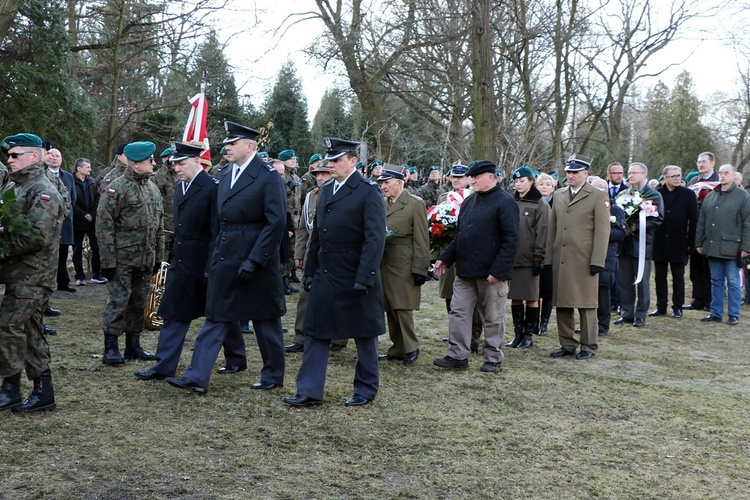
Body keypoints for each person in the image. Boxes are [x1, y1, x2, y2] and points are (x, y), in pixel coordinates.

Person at [167, 122, 287, 393]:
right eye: (226, 144)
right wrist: (214, 257)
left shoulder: (268, 176)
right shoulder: (226, 173)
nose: (227, 148)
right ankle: (196, 376)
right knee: (217, 315)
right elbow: (218, 222)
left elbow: (275, 222)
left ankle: (273, 374)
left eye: (233, 144)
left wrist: (255, 260)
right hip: (226, 252)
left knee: (266, 319)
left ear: (250, 146)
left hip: (256, 253)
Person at [282, 137, 386, 407]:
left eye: (338, 160)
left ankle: (365, 389)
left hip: (355, 272)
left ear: (353, 161)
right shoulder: (326, 190)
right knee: (316, 331)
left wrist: (365, 277)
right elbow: (318, 234)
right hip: (327, 272)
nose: (332, 164)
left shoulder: (367, 190)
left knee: (364, 334)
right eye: (330, 160)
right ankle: (309, 390)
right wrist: (311, 271)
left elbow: (374, 239)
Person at [134, 142, 220, 381]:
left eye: (181, 163)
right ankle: (163, 366)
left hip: (204, 261)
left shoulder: (212, 188)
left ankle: (236, 359)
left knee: (220, 317)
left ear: (197, 161)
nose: (177, 169)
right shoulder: (180, 186)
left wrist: (212, 264)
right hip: (182, 261)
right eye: (174, 164)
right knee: (173, 313)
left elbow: (217, 230)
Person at [433, 160, 519, 372]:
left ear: (491, 177)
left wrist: (498, 270)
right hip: (465, 271)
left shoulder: (505, 202)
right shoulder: (470, 202)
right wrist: (445, 258)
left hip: (492, 274)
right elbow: (460, 237)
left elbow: (512, 240)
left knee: (493, 317)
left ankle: (492, 358)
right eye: (470, 177)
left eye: (476, 177)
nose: (471, 181)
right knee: (458, 312)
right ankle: (457, 355)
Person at [0, 133, 65, 412]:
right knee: (31, 330)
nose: (9, 160)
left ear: (34, 156)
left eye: (15, 155)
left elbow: (38, 235)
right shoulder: (14, 187)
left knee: (8, 326)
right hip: (16, 273)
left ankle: (10, 388)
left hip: (33, 274)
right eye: (9, 155)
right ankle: (43, 392)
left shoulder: (42, 189)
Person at [96, 142, 164, 365]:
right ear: (135, 164)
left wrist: (158, 258)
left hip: (145, 259)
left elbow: (159, 227)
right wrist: (108, 261)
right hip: (122, 259)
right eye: (150, 160)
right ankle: (111, 347)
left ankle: (133, 346)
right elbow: (104, 226)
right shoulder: (117, 188)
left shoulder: (152, 188)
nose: (154, 163)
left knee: (139, 302)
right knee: (118, 302)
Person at [546, 154, 610, 360]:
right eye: (568, 172)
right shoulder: (559, 195)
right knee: (563, 302)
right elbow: (552, 229)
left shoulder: (597, 195)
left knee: (587, 304)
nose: (571, 176)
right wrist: (549, 258)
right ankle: (567, 343)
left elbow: (602, 231)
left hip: (584, 259)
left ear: (586, 173)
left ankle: (588, 346)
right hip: (562, 257)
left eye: (575, 172)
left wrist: (598, 261)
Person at [285, 161, 348, 353]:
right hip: (313, 253)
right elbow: (304, 227)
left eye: (325, 174)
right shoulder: (311, 196)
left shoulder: (342, 195)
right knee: (306, 295)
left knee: (336, 296)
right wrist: (299, 253)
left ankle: (338, 338)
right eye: (317, 174)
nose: (320, 178)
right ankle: (301, 337)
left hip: (335, 253)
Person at [377, 164, 429, 365]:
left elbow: (422, 239)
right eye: (382, 183)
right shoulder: (382, 203)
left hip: (404, 263)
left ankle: (411, 347)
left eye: (387, 182)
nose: (383, 186)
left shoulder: (415, 203)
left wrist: (420, 268)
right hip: (385, 262)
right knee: (390, 306)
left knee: (402, 307)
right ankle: (397, 348)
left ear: (399, 183)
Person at [435, 164, 484, 351]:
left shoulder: (475, 198)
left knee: (473, 300)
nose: (456, 180)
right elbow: (435, 224)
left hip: (470, 252)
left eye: (460, 177)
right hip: (449, 251)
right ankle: (455, 333)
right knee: (450, 295)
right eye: (453, 176)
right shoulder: (443, 198)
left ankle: (474, 336)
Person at [695, 164, 750, 325]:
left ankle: (733, 314)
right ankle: (716, 313)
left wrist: (746, 246)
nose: (722, 176)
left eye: (726, 173)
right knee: (716, 281)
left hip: (733, 248)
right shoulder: (711, 196)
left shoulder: (743, 196)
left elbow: (748, 223)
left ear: (734, 176)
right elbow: (702, 221)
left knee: (733, 282)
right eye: (721, 173)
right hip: (712, 246)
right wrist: (699, 242)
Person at [614, 162, 663, 328]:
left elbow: (658, 218)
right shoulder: (623, 194)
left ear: (644, 174)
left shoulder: (654, 195)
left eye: (634, 172)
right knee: (624, 280)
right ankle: (627, 313)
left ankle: (641, 314)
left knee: (641, 281)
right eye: (629, 172)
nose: (631, 175)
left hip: (642, 244)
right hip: (625, 244)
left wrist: (638, 226)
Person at [505, 167, 549, 349]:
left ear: (531, 181)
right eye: (516, 181)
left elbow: (543, 232)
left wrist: (539, 257)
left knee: (531, 296)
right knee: (515, 296)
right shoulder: (510, 200)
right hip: (512, 257)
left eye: (522, 181)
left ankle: (528, 335)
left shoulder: (540, 204)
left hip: (530, 258)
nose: (518, 184)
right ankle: (517, 333)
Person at [650, 166, 698, 319]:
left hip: (679, 241)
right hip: (659, 241)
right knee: (660, 276)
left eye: (679, 175)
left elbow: (694, 220)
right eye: (673, 176)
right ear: (665, 178)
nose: (677, 178)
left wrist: (691, 243)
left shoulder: (688, 194)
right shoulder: (657, 193)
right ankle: (661, 306)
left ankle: (678, 307)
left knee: (678, 276)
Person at [590, 178, 626, 336]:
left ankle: (603, 325)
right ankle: (590, 324)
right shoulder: (587, 206)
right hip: (587, 254)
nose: (599, 190)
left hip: (607, 255)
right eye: (595, 187)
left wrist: (601, 233)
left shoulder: (615, 209)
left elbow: (621, 232)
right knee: (588, 292)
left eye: (602, 187)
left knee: (603, 290)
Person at [686, 151, 718, 311]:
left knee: (709, 268)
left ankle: (709, 300)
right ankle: (697, 299)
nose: (700, 164)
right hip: (695, 227)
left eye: (704, 162)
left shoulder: (718, 181)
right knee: (695, 267)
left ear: (712, 163)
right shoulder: (693, 180)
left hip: (712, 229)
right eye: (699, 162)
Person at [46, 148, 77, 293]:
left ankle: (63, 282)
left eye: (57, 156)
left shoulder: (69, 177)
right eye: (51, 155)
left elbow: (73, 197)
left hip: (65, 221)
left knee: (63, 253)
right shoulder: (42, 176)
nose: (54, 158)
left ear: (61, 159)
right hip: (47, 222)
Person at [71, 158, 106, 285]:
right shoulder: (71, 182)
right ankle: (79, 277)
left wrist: (92, 214)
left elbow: (98, 200)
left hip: (92, 221)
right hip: (77, 221)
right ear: (79, 168)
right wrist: (83, 214)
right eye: (87, 167)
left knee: (96, 247)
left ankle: (97, 274)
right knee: (77, 249)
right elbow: (70, 202)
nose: (90, 169)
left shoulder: (92, 182)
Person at [279, 149, 302, 293]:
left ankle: (290, 275)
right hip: (286, 217)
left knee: (293, 249)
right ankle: (283, 279)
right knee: (285, 250)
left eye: (294, 158)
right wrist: (288, 188)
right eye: (290, 159)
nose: (293, 161)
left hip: (296, 217)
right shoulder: (280, 176)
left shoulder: (296, 177)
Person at [535, 173, 555, 336]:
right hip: (534, 250)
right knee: (534, 290)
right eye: (542, 184)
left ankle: (544, 322)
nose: (544, 187)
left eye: (548, 184)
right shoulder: (534, 202)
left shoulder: (559, 203)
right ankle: (533, 321)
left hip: (551, 252)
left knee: (548, 290)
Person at [152, 146, 178, 263]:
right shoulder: (161, 174)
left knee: (175, 255)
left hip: (177, 220)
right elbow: (156, 186)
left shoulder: (179, 174)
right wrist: (165, 166)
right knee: (163, 254)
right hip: (164, 221)